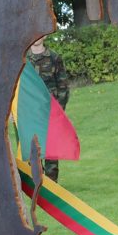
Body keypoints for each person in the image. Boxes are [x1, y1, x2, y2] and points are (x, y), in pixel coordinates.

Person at [27, 36, 69, 181]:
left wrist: (59, 111)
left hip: (50, 112)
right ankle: (36, 186)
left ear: (44, 35)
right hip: (30, 113)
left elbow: (63, 87)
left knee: (51, 152)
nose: (37, 37)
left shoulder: (54, 58)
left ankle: (52, 187)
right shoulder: (23, 59)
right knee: (32, 152)